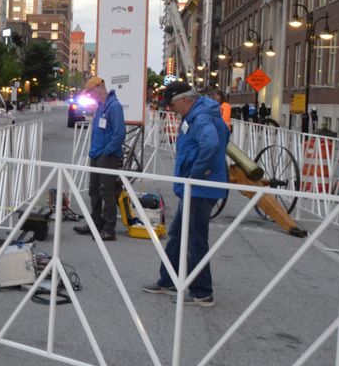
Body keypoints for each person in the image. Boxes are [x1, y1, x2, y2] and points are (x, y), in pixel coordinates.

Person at [142, 81, 228, 307]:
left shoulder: (200, 117)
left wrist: (194, 174)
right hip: (196, 187)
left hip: (200, 188)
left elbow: (211, 144)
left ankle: (202, 292)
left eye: (171, 104)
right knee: (178, 234)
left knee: (195, 239)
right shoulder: (198, 114)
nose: (170, 109)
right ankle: (168, 279)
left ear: (184, 99)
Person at [74, 76, 125, 241]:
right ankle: (95, 224)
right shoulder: (102, 106)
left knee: (107, 192)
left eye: (90, 93)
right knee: (94, 191)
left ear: (98, 88)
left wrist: (106, 152)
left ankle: (109, 229)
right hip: (97, 155)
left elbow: (119, 134)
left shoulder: (114, 106)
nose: (90, 96)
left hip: (107, 156)